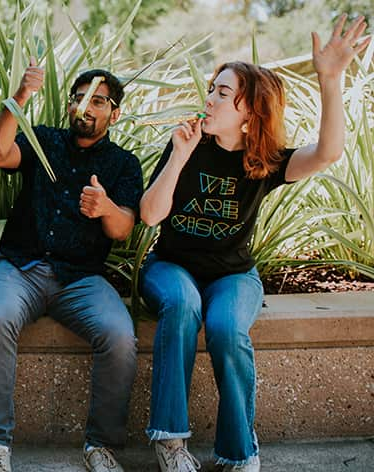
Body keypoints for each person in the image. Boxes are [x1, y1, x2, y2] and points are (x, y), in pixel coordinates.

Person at [139, 15, 371, 472]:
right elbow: (149, 215)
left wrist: (331, 78)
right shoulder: (187, 144)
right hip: (170, 266)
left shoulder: (262, 162)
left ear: (250, 113)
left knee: (226, 328)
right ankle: (170, 441)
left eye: (223, 93)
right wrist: (179, 157)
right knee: (183, 304)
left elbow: (327, 153)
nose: (209, 98)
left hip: (234, 274)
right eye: (212, 88)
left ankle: (239, 451)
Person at [0, 61, 143, 472]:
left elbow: (123, 228)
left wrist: (104, 208)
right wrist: (20, 97)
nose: (84, 106)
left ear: (114, 113)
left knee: (120, 337)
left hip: (81, 279)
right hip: (20, 268)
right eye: (78, 97)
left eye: (97, 100)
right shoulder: (44, 140)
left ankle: (100, 446)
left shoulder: (124, 164)